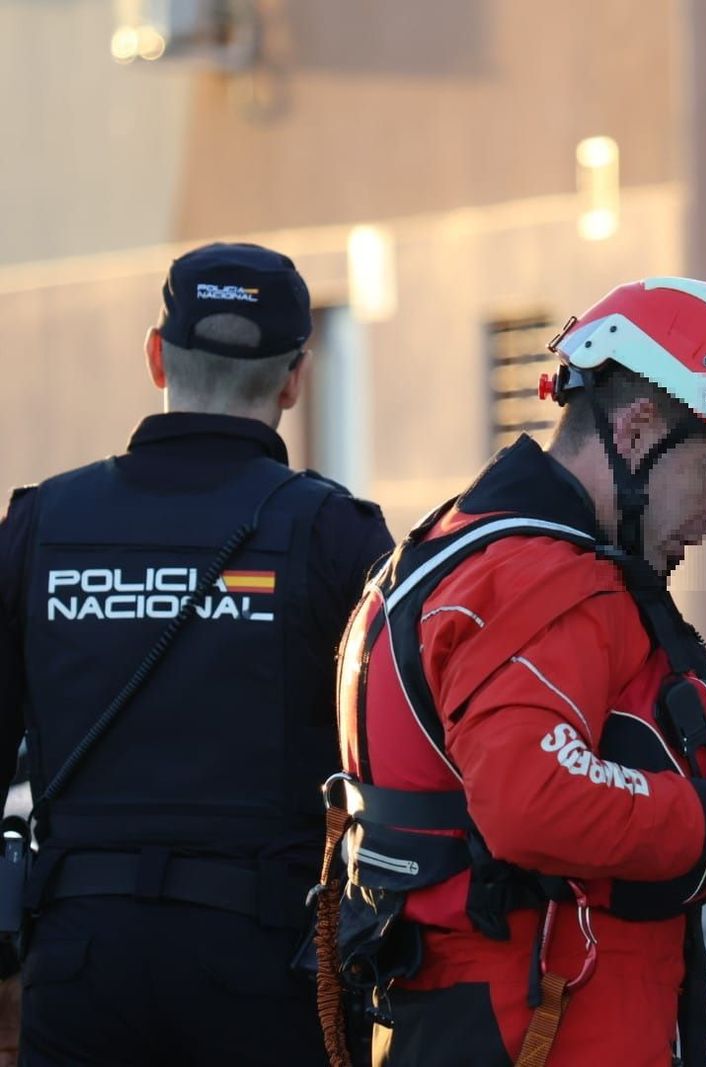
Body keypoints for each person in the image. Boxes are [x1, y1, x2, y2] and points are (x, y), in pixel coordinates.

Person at [326, 278, 706, 1067]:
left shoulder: (488, 548)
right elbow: (531, 797)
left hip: (516, 1010)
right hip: (536, 1021)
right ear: (640, 426)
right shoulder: (540, 578)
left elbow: (572, 729)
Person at [0, 242, 394, 1065]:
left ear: (155, 356)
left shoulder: (41, 526)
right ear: (295, 378)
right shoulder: (335, 534)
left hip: (79, 962)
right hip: (264, 967)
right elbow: (398, 754)